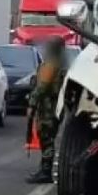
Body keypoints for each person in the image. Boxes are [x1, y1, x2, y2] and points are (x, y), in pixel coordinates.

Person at [26, 36, 67, 184]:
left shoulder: (50, 65)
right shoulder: (62, 65)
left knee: (46, 139)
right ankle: (45, 170)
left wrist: (32, 104)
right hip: (55, 107)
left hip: (47, 107)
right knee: (48, 138)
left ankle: (45, 171)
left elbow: (41, 87)